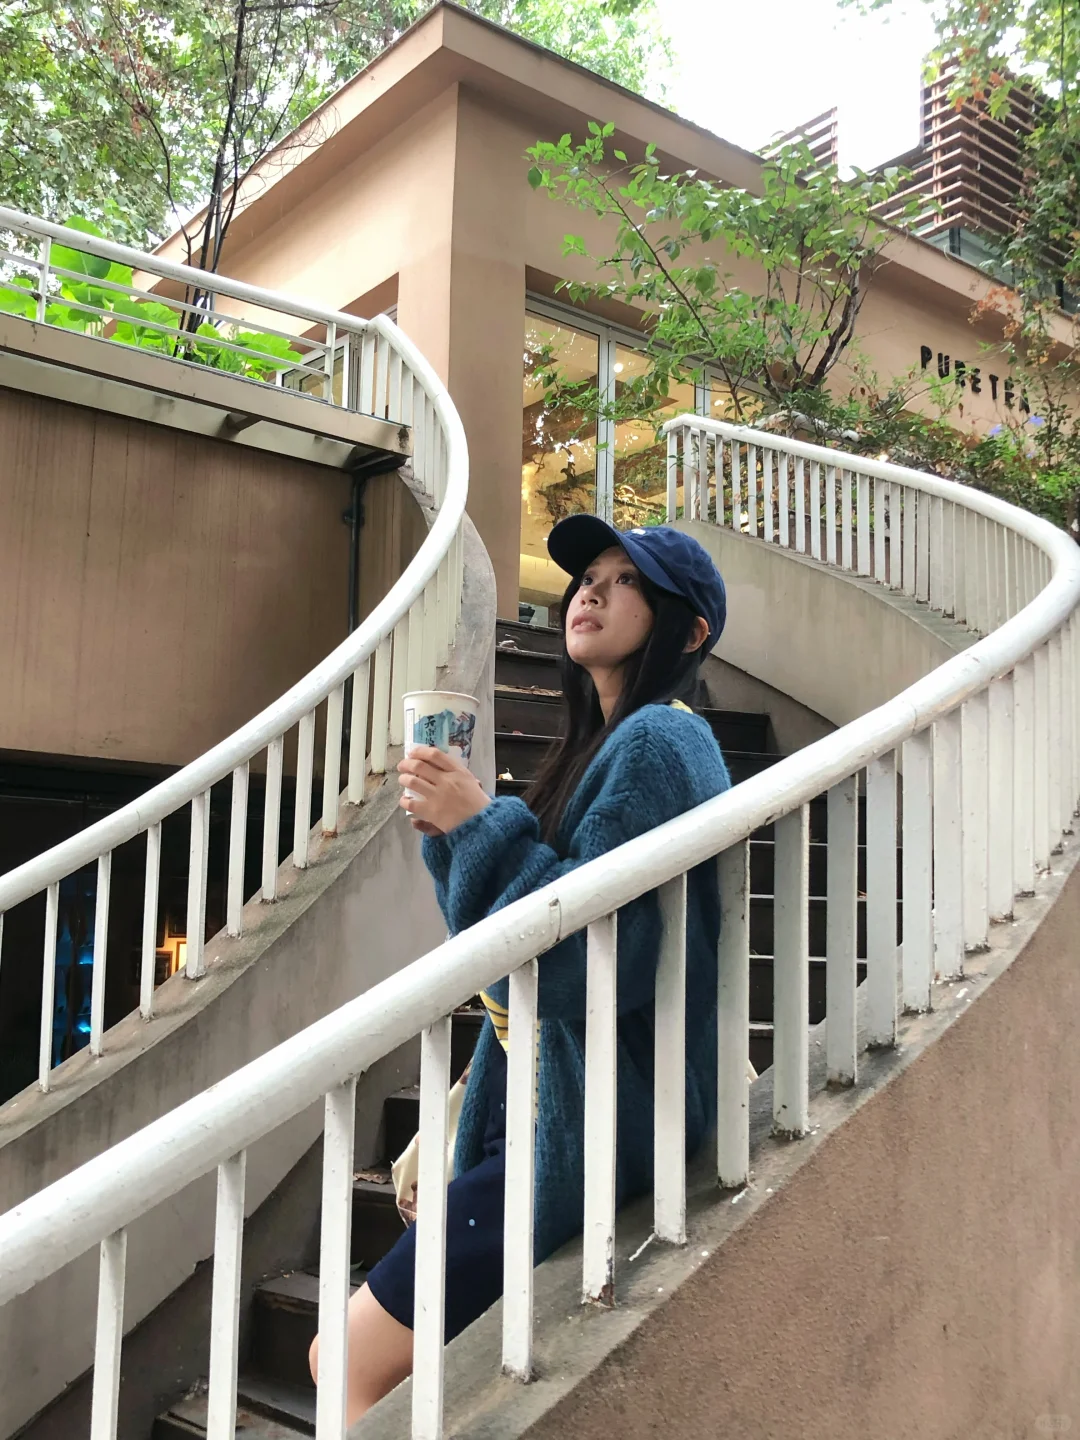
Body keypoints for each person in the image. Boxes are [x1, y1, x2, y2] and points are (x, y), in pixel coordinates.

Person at [309, 516, 732, 1422]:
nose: (591, 591)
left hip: (584, 1132)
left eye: (627, 580)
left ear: (690, 630)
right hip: (560, 1118)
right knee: (390, 1375)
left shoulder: (659, 743)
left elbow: (587, 963)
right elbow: (508, 952)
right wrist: (452, 834)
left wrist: (478, 824)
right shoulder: (606, 747)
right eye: (588, 577)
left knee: (343, 1358)